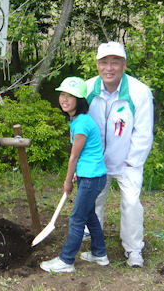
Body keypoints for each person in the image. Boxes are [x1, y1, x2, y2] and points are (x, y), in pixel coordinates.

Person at [83, 41, 154, 268]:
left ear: (124, 65)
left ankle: (133, 249)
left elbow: (143, 132)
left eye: (115, 62)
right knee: (92, 199)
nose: (109, 68)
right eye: (104, 62)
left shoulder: (139, 92)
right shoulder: (85, 90)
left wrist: (133, 163)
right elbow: (78, 127)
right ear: (97, 65)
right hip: (97, 160)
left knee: (132, 203)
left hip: (127, 161)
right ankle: (93, 237)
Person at [40, 77, 108, 273]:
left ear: (80, 100)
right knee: (89, 217)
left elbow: (74, 157)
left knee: (77, 218)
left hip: (92, 179)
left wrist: (68, 180)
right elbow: (89, 152)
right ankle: (99, 254)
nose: (64, 99)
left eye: (70, 96)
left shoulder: (81, 124)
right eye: (62, 95)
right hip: (92, 175)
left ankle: (66, 260)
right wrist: (80, 173)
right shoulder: (77, 120)